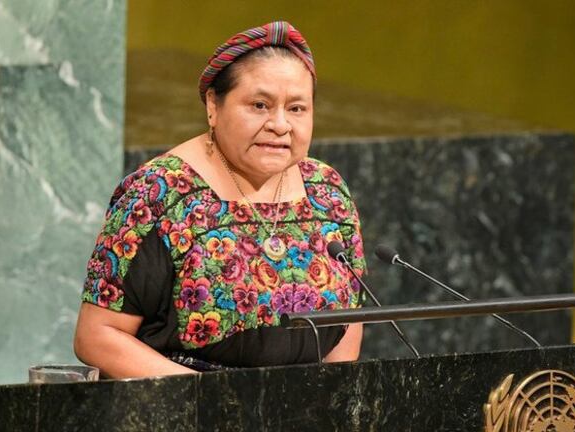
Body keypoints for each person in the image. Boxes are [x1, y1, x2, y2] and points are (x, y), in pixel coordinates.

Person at [73, 21, 367, 378]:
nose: (280, 124)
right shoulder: (159, 194)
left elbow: (349, 320)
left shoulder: (328, 192)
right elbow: (98, 336)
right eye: (259, 105)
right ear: (213, 105)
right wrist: (215, 407)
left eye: (297, 109)